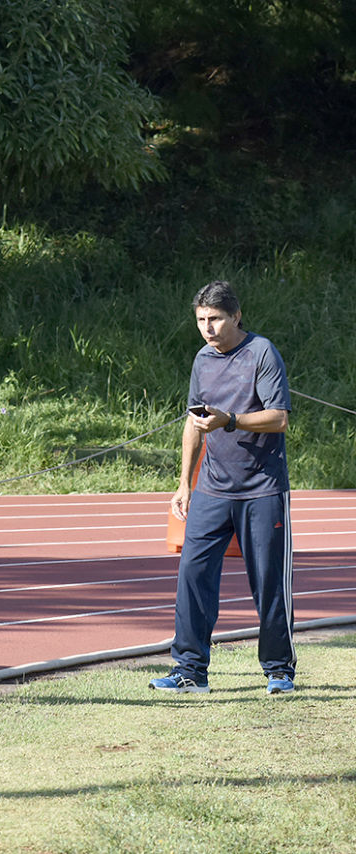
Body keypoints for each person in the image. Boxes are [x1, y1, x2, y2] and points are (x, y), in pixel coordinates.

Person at [150, 281, 294, 696]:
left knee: (268, 582)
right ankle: (189, 670)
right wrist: (183, 482)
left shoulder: (262, 353)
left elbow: (278, 418)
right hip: (212, 488)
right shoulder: (202, 359)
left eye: (215, 319)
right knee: (192, 576)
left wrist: (229, 419)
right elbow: (195, 421)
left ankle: (279, 669)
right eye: (200, 320)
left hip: (262, 488)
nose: (207, 328)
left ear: (236, 316)